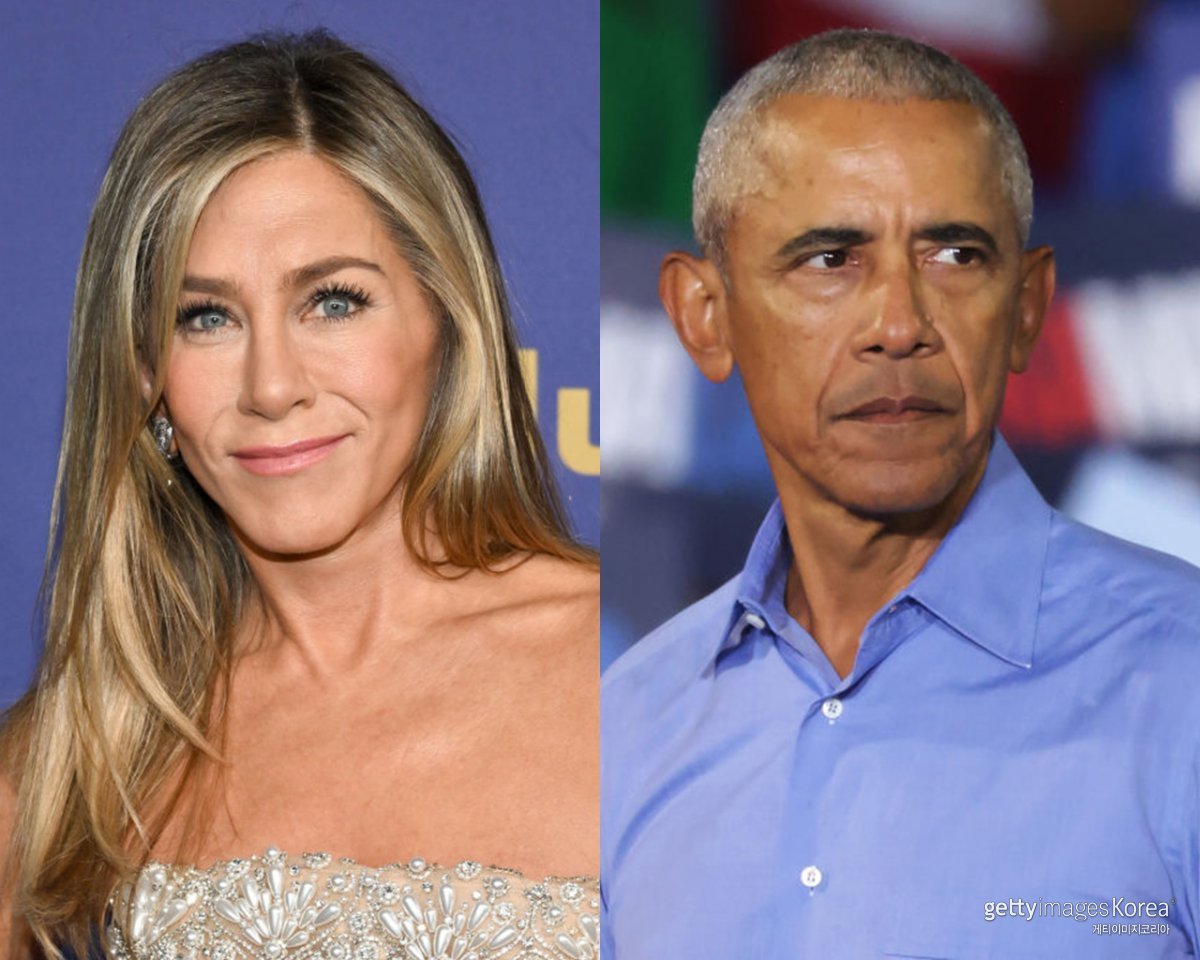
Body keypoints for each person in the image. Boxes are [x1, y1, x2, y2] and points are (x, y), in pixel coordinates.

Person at [601, 28, 1200, 959]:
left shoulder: (1183, 685)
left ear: (1027, 309)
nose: (898, 324)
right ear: (705, 317)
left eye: (955, 255)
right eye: (829, 259)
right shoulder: (626, 726)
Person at [0, 31, 599, 960]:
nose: (272, 388)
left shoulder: (636, 670)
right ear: (145, 373)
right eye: (206, 317)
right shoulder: (67, 766)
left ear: (444, 316)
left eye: (333, 302)